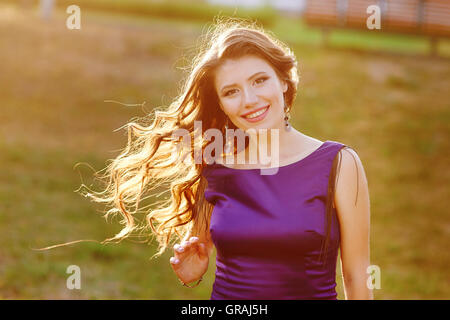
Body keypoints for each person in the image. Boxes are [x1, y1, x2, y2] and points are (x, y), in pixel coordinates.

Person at [83, 18, 372, 300]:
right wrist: (191, 273)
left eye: (259, 80)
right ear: (221, 103)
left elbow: (356, 276)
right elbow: (200, 254)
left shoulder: (340, 164)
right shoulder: (215, 165)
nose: (249, 99)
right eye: (231, 91)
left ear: (284, 81)